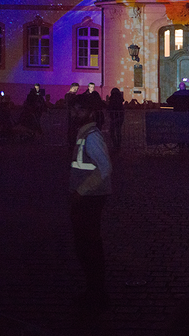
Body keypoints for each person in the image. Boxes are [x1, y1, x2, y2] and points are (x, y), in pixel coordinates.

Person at [69, 102, 113, 311]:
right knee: (86, 244)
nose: (74, 113)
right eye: (73, 109)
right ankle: (94, 288)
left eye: (80, 109)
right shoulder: (84, 134)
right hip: (87, 196)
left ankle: (96, 291)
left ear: (90, 113)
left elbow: (105, 167)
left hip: (90, 197)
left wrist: (81, 190)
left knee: (89, 244)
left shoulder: (92, 136)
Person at [107, 86, 125, 152]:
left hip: (114, 117)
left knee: (112, 131)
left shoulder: (112, 99)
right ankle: (118, 145)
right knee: (118, 131)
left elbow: (109, 107)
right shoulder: (120, 100)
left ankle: (115, 144)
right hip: (120, 117)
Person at [65, 82, 80, 156]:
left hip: (72, 114)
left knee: (72, 129)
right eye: (76, 88)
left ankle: (71, 144)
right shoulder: (69, 95)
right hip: (72, 114)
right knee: (72, 130)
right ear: (73, 87)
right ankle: (71, 144)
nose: (76, 90)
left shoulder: (69, 95)